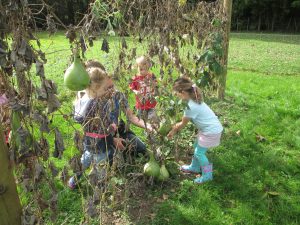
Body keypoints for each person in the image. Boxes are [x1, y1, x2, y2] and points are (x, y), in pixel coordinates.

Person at [68, 65, 153, 190]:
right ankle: (101, 187)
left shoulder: (84, 102)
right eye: (107, 88)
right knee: (101, 166)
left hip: (90, 143)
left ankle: (73, 181)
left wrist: (147, 126)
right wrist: (112, 133)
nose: (110, 91)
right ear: (96, 88)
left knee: (85, 160)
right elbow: (104, 128)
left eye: (112, 86)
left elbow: (131, 117)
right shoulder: (98, 104)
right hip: (103, 143)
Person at [167, 77, 223, 184]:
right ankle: (194, 167)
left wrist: (172, 131)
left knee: (199, 153)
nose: (176, 95)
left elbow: (182, 124)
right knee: (196, 147)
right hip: (208, 129)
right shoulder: (195, 99)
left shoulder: (191, 107)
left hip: (210, 132)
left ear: (183, 92)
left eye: (176, 93)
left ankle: (207, 175)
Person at [129, 56, 158, 123]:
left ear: (148, 68)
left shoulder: (151, 76)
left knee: (153, 118)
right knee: (143, 121)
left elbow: (156, 86)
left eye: (145, 70)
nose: (142, 72)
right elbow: (131, 88)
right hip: (141, 105)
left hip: (151, 104)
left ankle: (153, 129)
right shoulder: (135, 78)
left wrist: (153, 84)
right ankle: (147, 130)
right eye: (141, 69)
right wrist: (136, 92)